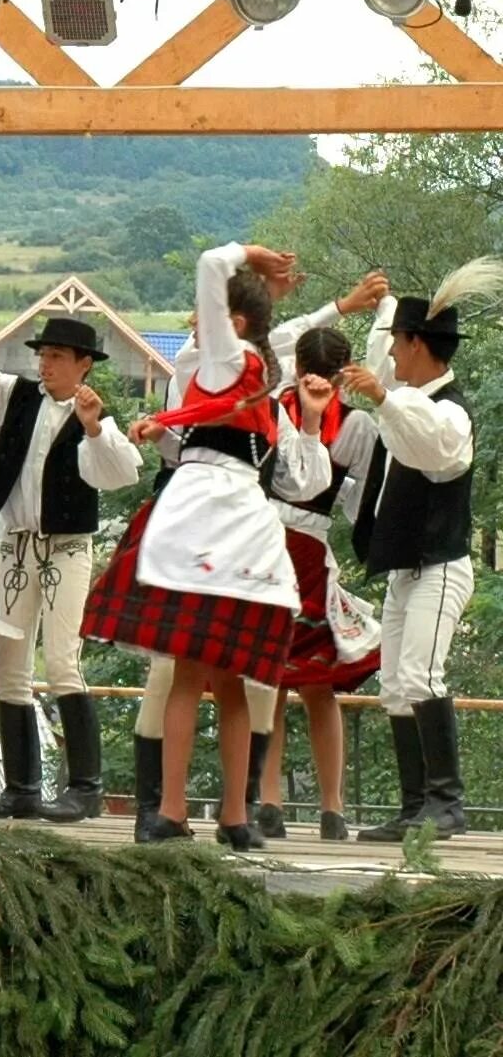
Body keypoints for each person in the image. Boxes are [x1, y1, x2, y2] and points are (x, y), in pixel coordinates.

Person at [82, 242, 334, 848]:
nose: (199, 322)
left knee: (207, 676)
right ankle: (210, 814)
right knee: (220, 677)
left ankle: (198, 812)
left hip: (216, 513)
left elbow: (207, 265)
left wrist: (247, 255)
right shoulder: (245, 378)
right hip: (230, 519)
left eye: (209, 315)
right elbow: (301, 481)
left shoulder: (237, 367)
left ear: (234, 322)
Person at [123, 271, 384, 841]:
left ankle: (234, 815)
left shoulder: (268, 397)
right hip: (194, 529)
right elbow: (220, 279)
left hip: (242, 534)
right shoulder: (204, 365)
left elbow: (304, 479)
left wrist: (311, 419)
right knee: (184, 672)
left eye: (207, 312)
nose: (199, 320)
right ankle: (166, 810)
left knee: (235, 676)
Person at [0, 320, 144, 823]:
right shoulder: (17, 397)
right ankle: (22, 788)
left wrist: (95, 427)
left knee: (62, 661)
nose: (45, 364)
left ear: (84, 364)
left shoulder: (94, 419)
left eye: (57, 356)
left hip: (67, 550)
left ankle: (85, 788)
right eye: (43, 355)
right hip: (18, 547)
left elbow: (123, 472)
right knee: (10, 666)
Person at [342, 260, 496, 841]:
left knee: (420, 675)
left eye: (396, 345)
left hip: (441, 565)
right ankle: (416, 808)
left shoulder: (448, 411)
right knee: (394, 684)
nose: (391, 357)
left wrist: (384, 395)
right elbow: (400, 437)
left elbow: (434, 446)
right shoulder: (405, 405)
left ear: (416, 344)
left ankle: (446, 804)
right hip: (410, 567)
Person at [255, 326, 382, 843]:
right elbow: (362, 501)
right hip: (307, 550)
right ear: (345, 370)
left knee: (273, 679)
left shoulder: (273, 409)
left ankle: (270, 802)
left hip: (266, 546)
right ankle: (332, 809)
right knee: (315, 684)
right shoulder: (358, 427)